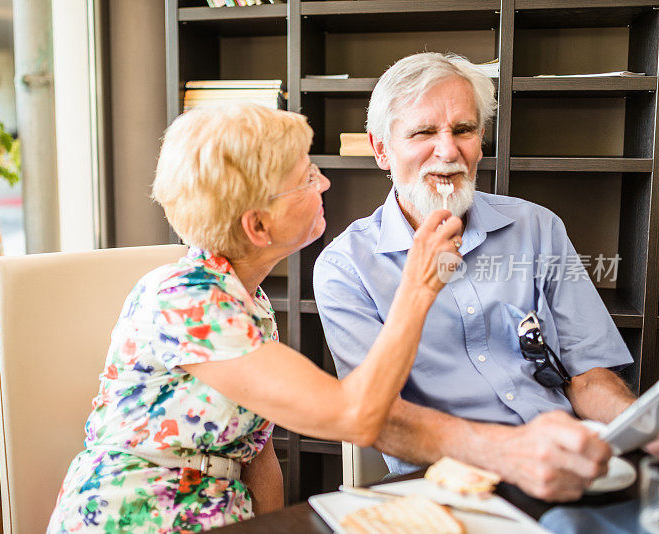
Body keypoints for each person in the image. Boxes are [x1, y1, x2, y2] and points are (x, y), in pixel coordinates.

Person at [47, 103, 463, 533]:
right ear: (258, 227)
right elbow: (354, 415)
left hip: (224, 512)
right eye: (305, 179)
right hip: (137, 514)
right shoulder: (189, 302)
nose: (323, 182)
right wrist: (419, 285)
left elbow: (255, 451)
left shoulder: (248, 298)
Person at [313, 52, 656, 503]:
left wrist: (643, 432)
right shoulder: (345, 267)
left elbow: (588, 375)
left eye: (463, 130)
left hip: (564, 466)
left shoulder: (539, 227)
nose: (448, 151)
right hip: (447, 485)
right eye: (423, 132)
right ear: (381, 149)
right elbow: (383, 420)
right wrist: (512, 452)